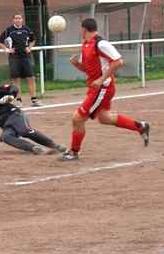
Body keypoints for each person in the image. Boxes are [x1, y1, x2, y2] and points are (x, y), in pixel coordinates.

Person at [61, 18, 150, 161]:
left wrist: (101, 79)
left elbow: (119, 61)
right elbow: (89, 70)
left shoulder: (100, 44)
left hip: (102, 88)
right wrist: (76, 64)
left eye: (80, 29)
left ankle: (74, 151)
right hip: (95, 87)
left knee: (77, 119)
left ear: (84, 29)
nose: (80, 31)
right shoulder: (85, 45)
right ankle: (140, 127)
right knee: (104, 118)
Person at [0, 71, 66, 155]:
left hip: (15, 115)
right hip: (7, 126)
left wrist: (11, 96)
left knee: (24, 131)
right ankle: (34, 148)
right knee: (6, 137)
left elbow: (13, 87)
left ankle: (54, 145)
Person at [0, 13, 41, 107]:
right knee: (16, 79)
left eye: (19, 18)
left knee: (30, 78)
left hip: (26, 57)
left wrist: (29, 47)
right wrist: (7, 49)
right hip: (14, 58)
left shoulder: (26, 29)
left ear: (22, 20)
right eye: (16, 18)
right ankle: (18, 100)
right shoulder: (9, 30)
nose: (18, 20)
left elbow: (33, 40)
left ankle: (34, 100)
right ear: (13, 20)